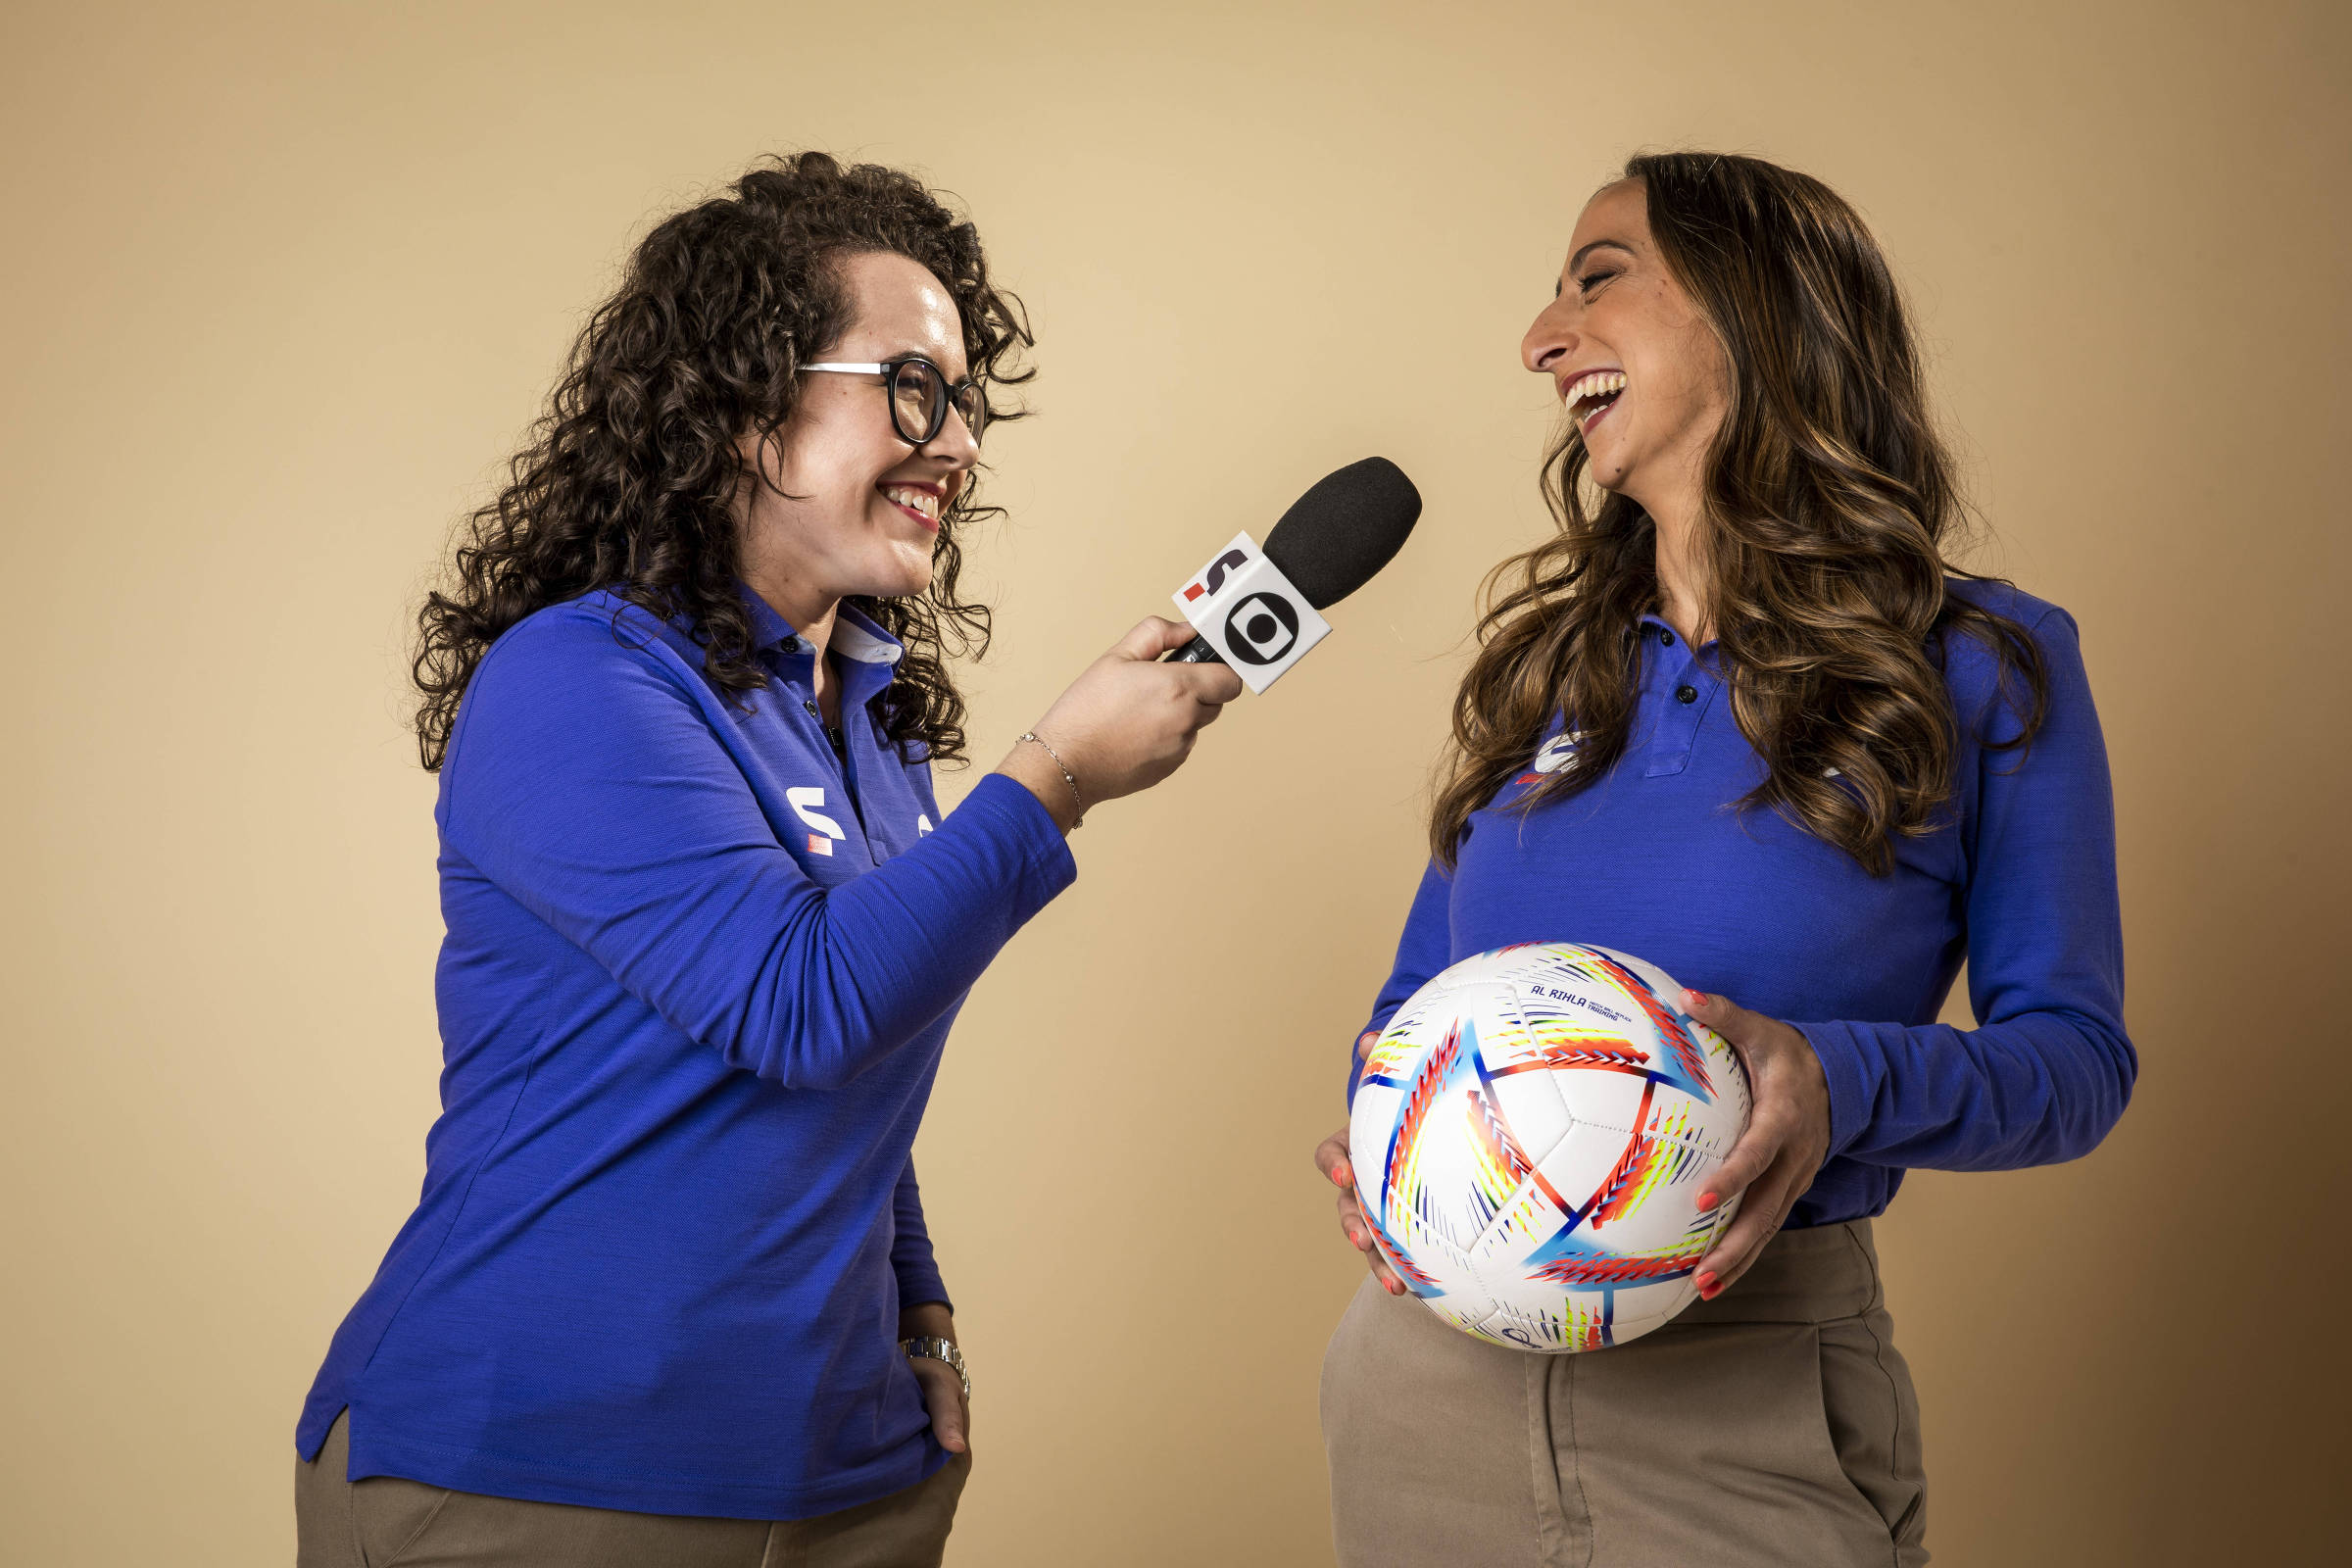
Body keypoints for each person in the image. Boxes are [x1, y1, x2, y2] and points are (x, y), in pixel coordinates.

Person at [293, 153, 1241, 1567]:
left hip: (834, 1476)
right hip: (540, 1472)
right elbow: (799, 1005)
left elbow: (870, 1040)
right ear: (742, 404)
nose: (962, 444)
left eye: (966, 402)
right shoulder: (572, 683)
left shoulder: (862, 712)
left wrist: (912, 1300)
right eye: (913, 387)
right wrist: (1058, 778)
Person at [1312, 151, 2133, 1567]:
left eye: (1599, 277)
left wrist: (1835, 1079)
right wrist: (1393, 1148)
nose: (1540, 338)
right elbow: (1409, 1003)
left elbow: (2074, 1064)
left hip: (1751, 1395)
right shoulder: (1542, 671)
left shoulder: (1986, 666)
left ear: (1754, 307)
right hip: (1423, 1388)